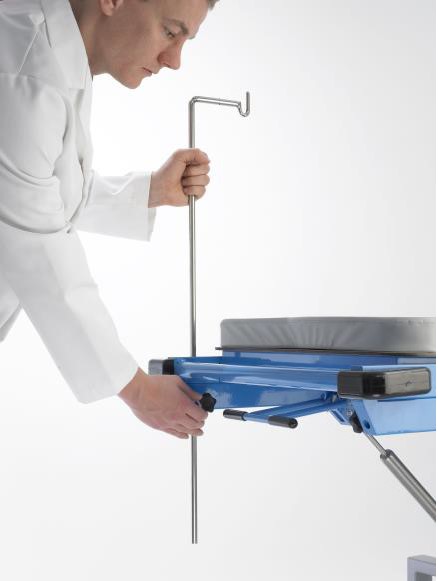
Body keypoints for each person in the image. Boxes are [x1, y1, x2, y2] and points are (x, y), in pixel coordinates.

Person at [0, 0, 218, 439]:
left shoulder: (53, 57)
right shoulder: (24, 75)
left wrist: (150, 191)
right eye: (170, 32)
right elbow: (39, 248)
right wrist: (137, 390)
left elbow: (34, 190)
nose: (174, 60)